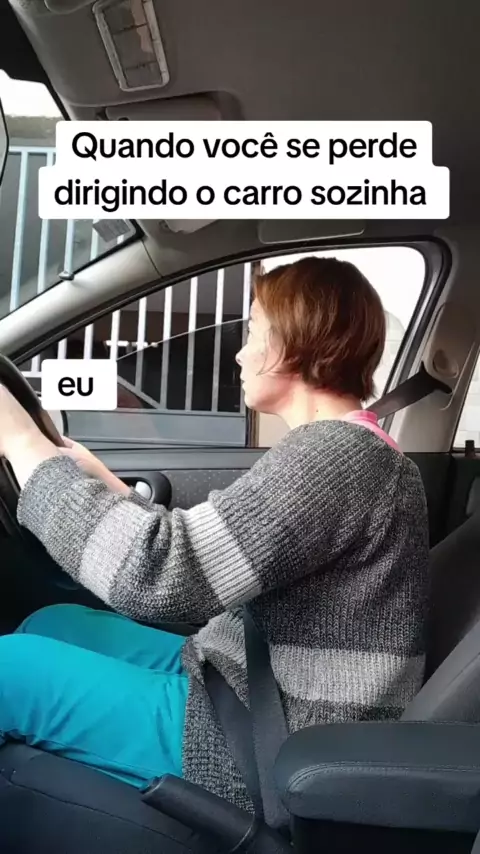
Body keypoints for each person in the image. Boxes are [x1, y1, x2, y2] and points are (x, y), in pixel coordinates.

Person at [0, 256, 429, 813]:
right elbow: (217, 546)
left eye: (253, 331)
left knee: (9, 670)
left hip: (265, 741)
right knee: (51, 623)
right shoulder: (346, 449)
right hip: (246, 679)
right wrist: (99, 478)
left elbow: (162, 577)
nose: (240, 353)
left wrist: (22, 443)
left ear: (293, 342)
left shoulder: (338, 457)